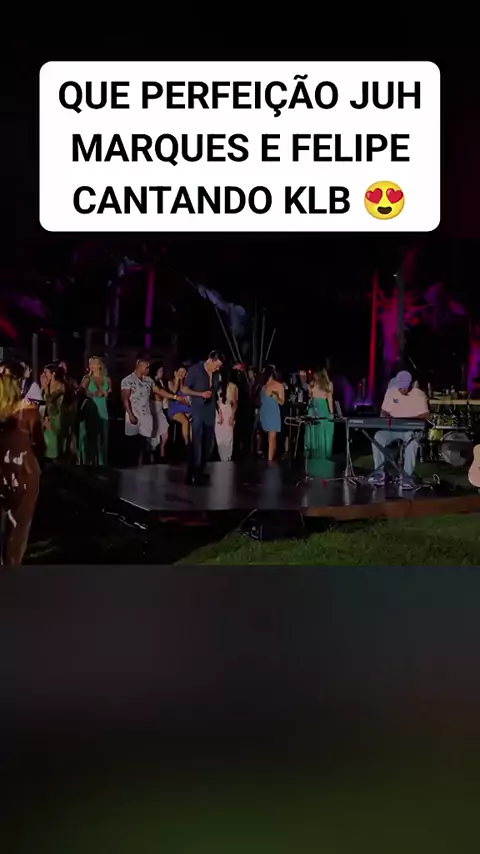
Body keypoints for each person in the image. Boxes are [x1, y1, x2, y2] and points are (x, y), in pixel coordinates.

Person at [0, 372, 44, 565]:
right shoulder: (29, 413)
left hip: (8, 471)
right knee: (18, 530)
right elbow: (39, 445)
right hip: (24, 474)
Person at [369, 370, 429, 489]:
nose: (401, 389)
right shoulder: (391, 392)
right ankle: (379, 474)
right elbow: (384, 411)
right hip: (392, 428)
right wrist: (386, 417)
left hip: (410, 430)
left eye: (404, 387)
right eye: (400, 387)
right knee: (378, 437)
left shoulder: (419, 394)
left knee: (412, 441)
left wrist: (410, 420)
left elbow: (425, 415)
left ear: (410, 384)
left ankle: (406, 476)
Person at [183, 350, 224, 484]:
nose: (217, 368)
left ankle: (199, 470)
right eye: (216, 365)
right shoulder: (195, 370)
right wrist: (200, 394)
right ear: (211, 360)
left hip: (210, 411)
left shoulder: (216, 374)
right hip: (198, 410)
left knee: (207, 443)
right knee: (197, 442)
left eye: (219, 367)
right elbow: (185, 389)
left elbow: (215, 393)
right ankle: (194, 472)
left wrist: (219, 410)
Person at [120, 357, 155, 466]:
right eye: (146, 367)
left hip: (146, 414)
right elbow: (125, 399)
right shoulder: (127, 380)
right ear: (139, 366)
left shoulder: (149, 380)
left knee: (144, 440)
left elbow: (157, 391)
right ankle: (131, 462)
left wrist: (174, 396)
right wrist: (130, 414)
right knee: (132, 440)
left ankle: (142, 462)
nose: (148, 369)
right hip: (134, 413)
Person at [78, 357, 111, 466]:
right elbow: (81, 392)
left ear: (100, 365)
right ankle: (88, 461)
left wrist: (102, 390)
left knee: (102, 439)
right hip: (91, 409)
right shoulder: (87, 379)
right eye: (90, 363)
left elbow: (108, 394)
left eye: (94, 363)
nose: (91, 365)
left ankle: (101, 461)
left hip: (103, 410)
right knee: (90, 437)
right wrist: (93, 394)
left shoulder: (107, 380)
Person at [305, 369, 335, 460]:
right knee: (324, 430)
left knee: (314, 430)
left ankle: (313, 452)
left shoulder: (312, 384)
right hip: (323, 409)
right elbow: (330, 399)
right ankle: (323, 453)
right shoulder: (328, 384)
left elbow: (310, 397)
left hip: (313, 408)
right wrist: (331, 412)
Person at [150, 363, 178, 460]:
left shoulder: (162, 382)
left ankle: (162, 454)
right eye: (160, 371)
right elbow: (159, 394)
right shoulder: (152, 382)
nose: (162, 373)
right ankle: (153, 454)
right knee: (154, 434)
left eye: (162, 371)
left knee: (165, 433)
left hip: (161, 409)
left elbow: (170, 392)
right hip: (153, 408)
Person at [259, 366, 285, 461]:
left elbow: (282, 402)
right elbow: (261, 401)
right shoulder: (264, 386)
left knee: (272, 438)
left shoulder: (279, 385)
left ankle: (270, 460)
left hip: (273, 414)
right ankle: (268, 458)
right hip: (264, 413)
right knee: (266, 438)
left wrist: (276, 397)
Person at [41, 363, 66, 460]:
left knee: (54, 441)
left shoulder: (60, 386)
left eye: (46, 372)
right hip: (47, 416)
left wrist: (45, 387)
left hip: (57, 417)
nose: (44, 375)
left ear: (53, 373)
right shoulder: (47, 385)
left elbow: (50, 400)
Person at [215, 367, 238, 461]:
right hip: (219, 412)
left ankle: (227, 458)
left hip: (228, 412)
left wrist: (232, 416)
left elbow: (235, 403)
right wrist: (219, 413)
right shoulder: (217, 385)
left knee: (228, 438)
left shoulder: (232, 386)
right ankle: (222, 458)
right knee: (219, 439)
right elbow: (216, 401)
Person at [168, 366, 192, 450]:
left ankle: (193, 444)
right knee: (185, 421)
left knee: (192, 422)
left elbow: (188, 398)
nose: (182, 374)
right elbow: (173, 392)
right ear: (176, 372)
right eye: (180, 371)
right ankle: (187, 444)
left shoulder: (186, 384)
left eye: (184, 372)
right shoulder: (170, 382)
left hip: (186, 408)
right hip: (175, 409)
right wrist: (177, 380)